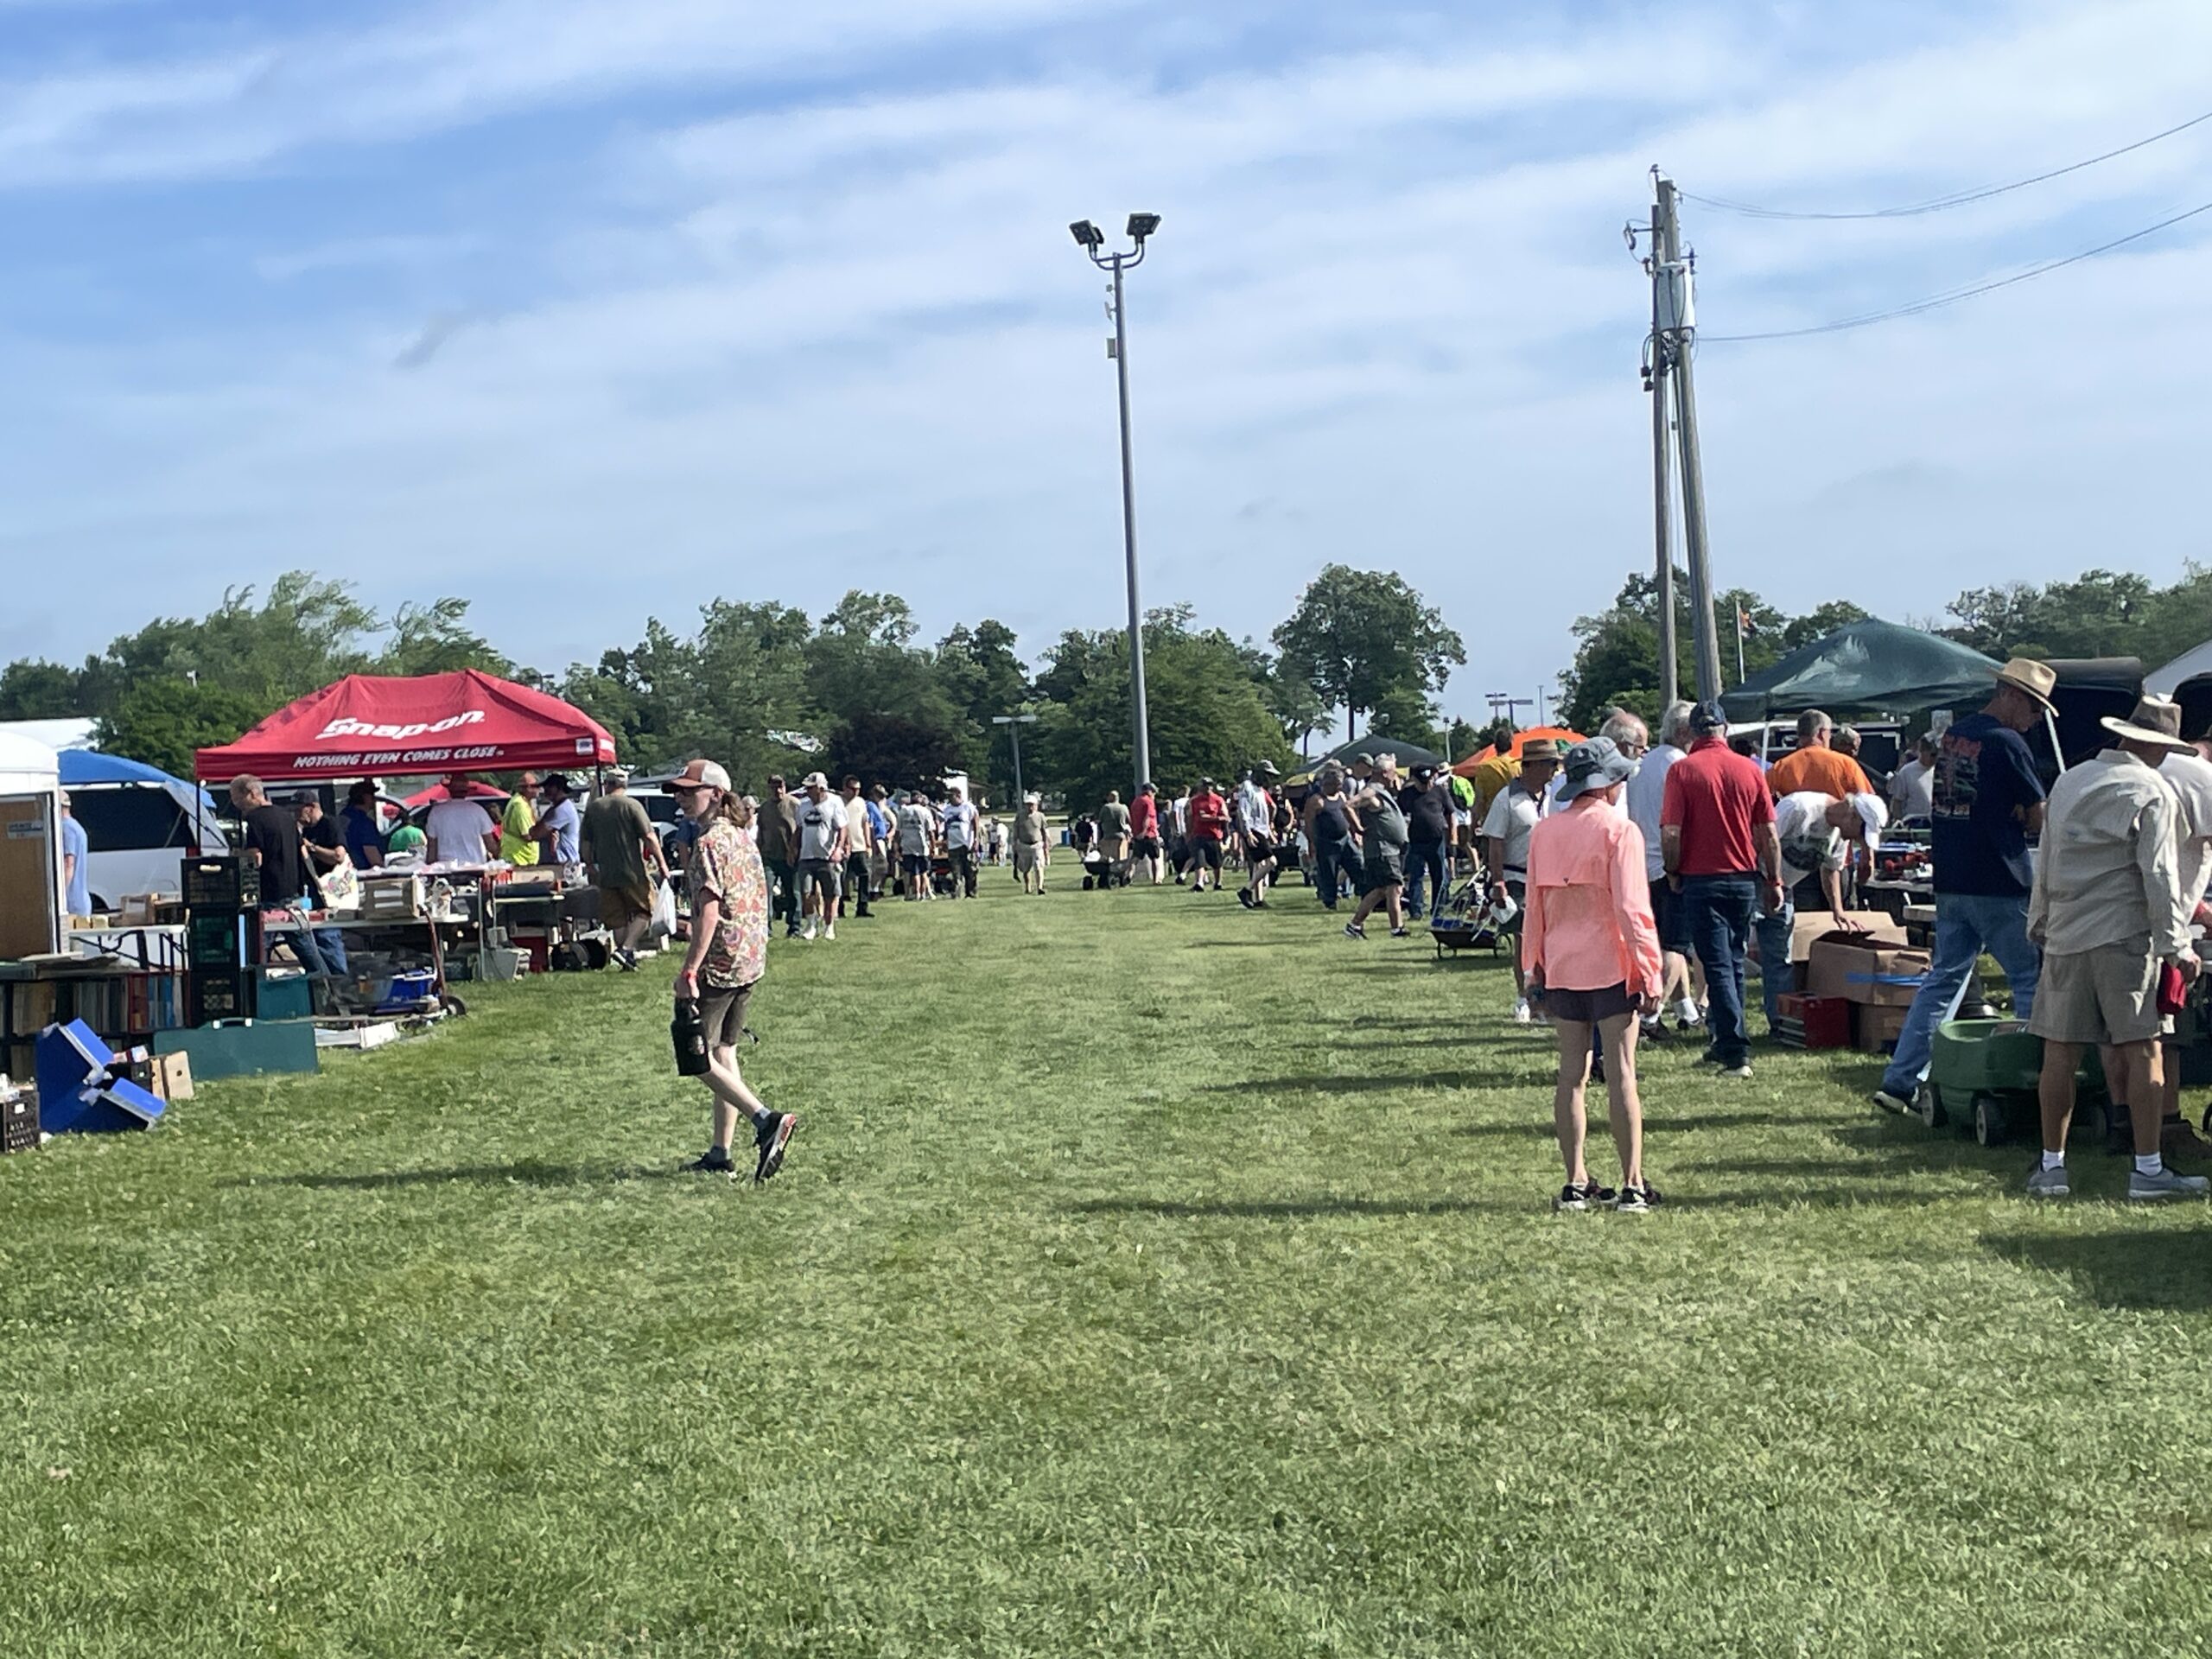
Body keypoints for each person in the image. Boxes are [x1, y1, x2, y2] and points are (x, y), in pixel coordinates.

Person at [2024, 696, 2207, 1201]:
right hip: (2124, 937)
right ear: (2160, 746)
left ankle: (2051, 1167)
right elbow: (2160, 874)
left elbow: (2047, 856)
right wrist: (2176, 946)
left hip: (2065, 932)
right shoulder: (2153, 790)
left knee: (2059, 1052)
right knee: (2144, 1048)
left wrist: (2040, 920)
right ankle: (2148, 1170)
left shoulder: (2070, 780)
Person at [1874, 661, 2054, 1114]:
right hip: (2000, 878)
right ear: (2010, 695)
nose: (2035, 719)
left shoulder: (1954, 737)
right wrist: (2020, 815)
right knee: (2030, 978)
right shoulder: (2007, 741)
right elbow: (2039, 815)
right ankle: (2036, 1082)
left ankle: (1900, 1082)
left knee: (1943, 981)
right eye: (2034, 707)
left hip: (1953, 878)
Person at [1523, 738, 1664, 1212]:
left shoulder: (1544, 832)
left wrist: (1532, 969)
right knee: (1622, 1073)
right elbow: (1632, 910)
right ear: (1608, 783)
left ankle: (1576, 1181)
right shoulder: (1620, 831)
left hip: (1561, 966)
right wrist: (1649, 971)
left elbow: (1534, 909)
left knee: (1571, 1076)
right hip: (1612, 966)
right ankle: (1633, 1184)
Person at [664, 759, 794, 1183]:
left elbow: (708, 911)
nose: (681, 799)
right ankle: (721, 1152)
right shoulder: (740, 836)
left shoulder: (708, 843)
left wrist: (689, 970)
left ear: (716, 794)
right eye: (679, 792)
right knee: (724, 1051)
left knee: (695, 1053)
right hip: (751, 956)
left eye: (690, 791)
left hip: (721, 960)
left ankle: (765, 1119)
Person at [1661, 702, 1780, 1079]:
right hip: (1744, 876)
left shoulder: (1683, 770)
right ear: (1724, 730)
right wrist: (1774, 879)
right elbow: (1768, 832)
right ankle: (1727, 1037)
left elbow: (1671, 832)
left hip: (1701, 878)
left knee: (1717, 964)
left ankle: (1734, 1049)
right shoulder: (1750, 769)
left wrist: (1672, 869)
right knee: (1733, 959)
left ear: (1694, 732)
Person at [1754, 791, 1885, 1031]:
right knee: (1736, 950)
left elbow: (1830, 868)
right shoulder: (1800, 808)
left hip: (1784, 889)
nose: (1858, 841)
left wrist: (1837, 909)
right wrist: (1769, 882)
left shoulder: (1840, 834)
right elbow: (1763, 839)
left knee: (1780, 959)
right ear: (1853, 815)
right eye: (1860, 834)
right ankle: (1724, 1024)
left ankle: (1780, 1025)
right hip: (1755, 880)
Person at [1624, 702, 1704, 1037]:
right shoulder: (1680, 765)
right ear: (1684, 732)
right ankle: (1647, 1017)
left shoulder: (1644, 764)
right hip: (1670, 864)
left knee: (1662, 943)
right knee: (1675, 946)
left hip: (1642, 865)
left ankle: (1685, 1008)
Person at [1484, 738, 1564, 1020]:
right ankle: (1524, 998)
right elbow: (1495, 842)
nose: (1555, 770)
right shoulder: (1507, 798)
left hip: (1548, 877)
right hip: (1516, 876)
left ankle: (1544, 998)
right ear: (1533, 765)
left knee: (1547, 940)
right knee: (1523, 938)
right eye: (1551, 764)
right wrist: (1498, 882)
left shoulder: (1554, 796)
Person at [582, 767, 669, 969]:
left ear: (608, 784)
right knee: (646, 910)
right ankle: (626, 950)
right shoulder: (632, 806)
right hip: (632, 871)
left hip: (606, 873)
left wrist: (590, 865)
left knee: (617, 918)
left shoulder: (594, 808)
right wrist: (662, 863)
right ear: (625, 785)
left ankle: (626, 961)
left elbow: (585, 842)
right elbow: (649, 837)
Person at [1345, 756, 1411, 939]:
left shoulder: (1382, 791)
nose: (1395, 776)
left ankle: (1354, 925)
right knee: (1395, 888)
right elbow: (1348, 805)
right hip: (1383, 850)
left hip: (1387, 849)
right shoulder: (1372, 792)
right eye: (1393, 772)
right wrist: (1357, 828)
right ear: (1385, 773)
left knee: (1381, 890)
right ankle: (1396, 929)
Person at [1764, 709, 1873, 801]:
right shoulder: (1846, 764)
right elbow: (1869, 804)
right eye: (1829, 732)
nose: (1830, 737)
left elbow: (1763, 802)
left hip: (1795, 820)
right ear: (1822, 733)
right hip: (1837, 820)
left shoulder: (1780, 767)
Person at [793, 772, 847, 940]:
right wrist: (793, 848)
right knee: (806, 892)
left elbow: (842, 828)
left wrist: (838, 849)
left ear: (821, 788)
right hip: (806, 856)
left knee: (830, 894)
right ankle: (811, 925)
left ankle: (829, 926)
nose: (808, 791)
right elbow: (799, 829)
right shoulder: (803, 805)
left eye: (811, 788)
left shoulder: (834, 803)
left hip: (827, 857)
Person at [1399, 763, 1455, 921]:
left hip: (1436, 840)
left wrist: (1452, 837)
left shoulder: (1440, 792)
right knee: (1415, 876)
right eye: (1422, 783)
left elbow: (1450, 814)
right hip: (1415, 841)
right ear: (1414, 780)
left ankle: (1438, 909)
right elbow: (1400, 816)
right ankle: (1416, 910)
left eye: (1429, 781)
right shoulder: (1406, 794)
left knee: (1439, 876)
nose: (1427, 785)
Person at [1302, 766, 1359, 911]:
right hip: (1326, 843)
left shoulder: (1341, 796)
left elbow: (1349, 812)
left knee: (1358, 865)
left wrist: (1356, 832)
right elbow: (1309, 824)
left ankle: (1365, 895)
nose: (1340, 787)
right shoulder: (1316, 800)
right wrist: (1311, 843)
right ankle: (1330, 901)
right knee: (1329, 874)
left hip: (1345, 840)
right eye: (1338, 784)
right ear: (1329, 784)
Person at [756, 775, 803, 938]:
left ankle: (794, 927)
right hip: (769, 856)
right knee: (766, 892)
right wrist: (758, 852)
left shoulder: (794, 805)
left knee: (793, 893)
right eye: (774, 787)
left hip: (790, 856)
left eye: (780, 786)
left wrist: (795, 851)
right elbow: (761, 832)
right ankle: (766, 928)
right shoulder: (764, 808)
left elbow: (800, 829)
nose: (778, 790)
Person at [425, 774, 499, 865]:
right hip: (475, 865)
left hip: (446, 866)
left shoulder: (436, 812)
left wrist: (429, 866)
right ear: (467, 791)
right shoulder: (478, 810)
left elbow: (432, 847)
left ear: (449, 790)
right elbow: (490, 844)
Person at [836, 776, 874, 920]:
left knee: (864, 875)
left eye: (858, 789)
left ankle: (862, 907)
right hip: (842, 847)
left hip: (859, 846)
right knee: (841, 878)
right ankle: (839, 908)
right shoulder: (837, 802)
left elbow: (865, 823)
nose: (856, 792)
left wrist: (868, 843)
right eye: (853, 789)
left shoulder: (860, 802)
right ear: (845, 788)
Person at [525, 774, 582, 866]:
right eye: (545, 787)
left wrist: (535, 829)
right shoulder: (557, 808)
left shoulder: (562, 810)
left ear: (559, 788)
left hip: (566, 865)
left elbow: (535, 833)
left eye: (550, 786)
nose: (546, 790)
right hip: (560, 863)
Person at [1187, 778, 1230, 893]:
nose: (1208, 788)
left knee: (1217, 862)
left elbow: (1226, 817)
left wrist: (1210, 818)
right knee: (1199, 860)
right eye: (1205, 785)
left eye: (1210, 785)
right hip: (1199, 834)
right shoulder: (1194, 801)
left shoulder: (1218, 800)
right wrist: (1189, 833)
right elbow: (1190, 817)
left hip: (1214, 835)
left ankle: (1218, 883)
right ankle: (1199, 883)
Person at [940, 783, 981, 897]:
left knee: (970, 869)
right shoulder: (947, 809)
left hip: (966, 843)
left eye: (951, 795)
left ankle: (971, 892)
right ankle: (957, 892)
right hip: (953, 844)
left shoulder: (968, 807)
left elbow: (975, 823)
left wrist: (976, 840)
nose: (949, 798)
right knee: (955, 870)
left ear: (958, 795)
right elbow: (946, 826)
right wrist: (945, 840)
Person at [59, 791, 92, 925]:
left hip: (72, 904)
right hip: (80, 900)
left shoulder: (66, 828)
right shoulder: (76, 826)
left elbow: (69, 864)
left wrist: (60, 896)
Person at [1888, 734, 1938, 822]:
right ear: (1922, 751)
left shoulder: (1941, 770)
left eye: (1937, 754)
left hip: (1936, 820)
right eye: (1933, 755)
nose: (1935, 758)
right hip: (1914, 820)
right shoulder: (1907, 771)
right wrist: (1899, 821)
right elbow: (1897, 801)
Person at [897, 788, 936, 899]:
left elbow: (898, 831)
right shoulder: (925, 811)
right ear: (919, 798)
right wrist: (933, 847)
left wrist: (897, 845)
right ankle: (922, 893)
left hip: (907, 843)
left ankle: (914, 893)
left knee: (912, 871)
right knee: (923, 871)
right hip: (921, 844)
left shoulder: (903, 811)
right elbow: (931, 831)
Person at [499, 772, 542, 866]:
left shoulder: (520, 801)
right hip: (519, 858)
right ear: (528, 788)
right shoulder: (520, 805)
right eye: (537, 786)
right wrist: (546, 834)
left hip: (519, 856)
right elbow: (527, 835)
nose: (539, 789)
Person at [340, 780, 385, 869]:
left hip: (344, 870)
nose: (374, 799)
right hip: (363, 871)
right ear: (364, 797)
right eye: (372, 795)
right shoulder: (364, 823)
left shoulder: (341, 817)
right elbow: (374, 859)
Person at [1013, 792, 1050, 893]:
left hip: (1037, 845)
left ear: (1036, 805)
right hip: (1024, 845)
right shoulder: (1020, 816)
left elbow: (1044, 831)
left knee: (1038, 866)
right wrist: (1015, 843)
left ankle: (1040, 887)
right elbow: (1016, 830)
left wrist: (1046, 845)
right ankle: (1028, 887)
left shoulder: (1040, 816)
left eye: (1032, 805)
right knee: (1026, 869)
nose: (1030, 807)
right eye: (1028, 805)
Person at [1128, 782, 1163, 885]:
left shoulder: (1136, 801)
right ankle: (1156, 879)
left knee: (1135, 857)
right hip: (1149, 834)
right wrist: (1144, 831)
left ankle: (1129, 875)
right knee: (1154, 857)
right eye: (1154, 792)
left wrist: (1136, 832)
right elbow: (1148, 817)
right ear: (1149, 791)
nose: (1154, 795)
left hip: (1137, 834)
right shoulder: (1148, 801)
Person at [1097, 790, 1133, 888]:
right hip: (1121, 837)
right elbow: (1129, 821)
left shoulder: (1106, 808)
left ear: (1111, 797)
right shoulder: (1124, 807)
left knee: (1107, 859)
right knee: (1121, 859)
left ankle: (1107, 877)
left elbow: (1100, 821)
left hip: (1108, 837)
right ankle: (1122, 878)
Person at [1167, 783, 1193, 883]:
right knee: (1194, 852)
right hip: (1190, 830)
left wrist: (1175, 829)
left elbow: (1174, 815)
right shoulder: (1191, 801)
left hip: (1181, 830)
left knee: (1182, 852)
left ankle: (1182, 872)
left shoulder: (1177, 802)